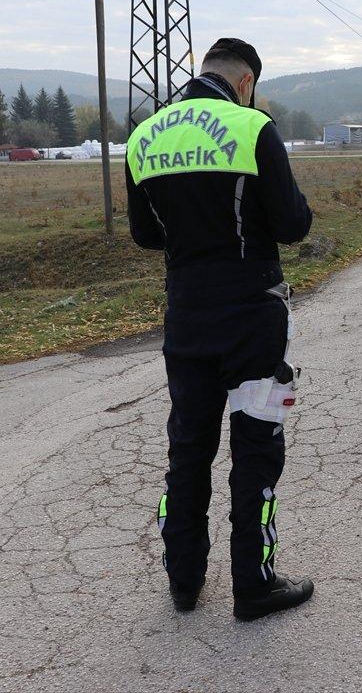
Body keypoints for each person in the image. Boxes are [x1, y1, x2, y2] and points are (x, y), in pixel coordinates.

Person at [126, 38, 315, 622]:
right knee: (255, 448)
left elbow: (145, 234)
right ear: (245, 82)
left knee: (188, 446)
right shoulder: (253, 128)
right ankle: (253, 586)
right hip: (251, 314)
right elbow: (292, 225)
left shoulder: (144, 136)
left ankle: (184, 580)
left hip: (186, 314)